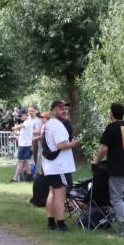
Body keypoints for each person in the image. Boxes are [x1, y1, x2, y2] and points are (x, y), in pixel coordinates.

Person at [95, 103, 124, 236]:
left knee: (115, 198)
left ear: (112, 114)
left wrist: (96, 161)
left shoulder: (112, 127)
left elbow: (104, 148)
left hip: (118, 168)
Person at [43, 99, 80, 231]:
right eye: (61, 108)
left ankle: (51, 222)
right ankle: (61, 223)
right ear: (53, 110)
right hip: (60, 166)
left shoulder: (48, 124)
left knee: (52, 193)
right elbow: (62, 145)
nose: (64, 110)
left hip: (50, 165)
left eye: (66, 108)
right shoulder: (57, 126)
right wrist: (73, 143)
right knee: (60, 194)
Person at [12, 107, 41, 183]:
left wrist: (14, 127)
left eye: (20, 116)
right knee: (25, 161)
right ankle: (29, 176)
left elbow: (20, 127)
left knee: (20, 161)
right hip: (25, 143)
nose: (19, 117)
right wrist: (18, 137)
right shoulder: (27, 122)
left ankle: (15, 178)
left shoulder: (27, 122)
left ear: (25, 115)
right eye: (18, 116)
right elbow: (24, 133)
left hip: (25, 145)